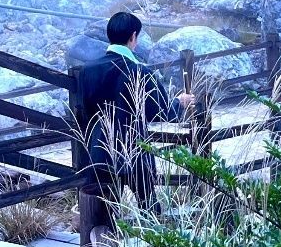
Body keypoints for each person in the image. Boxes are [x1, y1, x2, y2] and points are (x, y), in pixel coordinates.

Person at [71, 11, 194, 213]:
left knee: (104, 214)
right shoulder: (140, 71)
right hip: (135, 151)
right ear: (133, 36)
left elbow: (86, 111)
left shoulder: (87, 70)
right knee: (149, 209)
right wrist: (179, 102)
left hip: (100, 150)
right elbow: (162, 113)